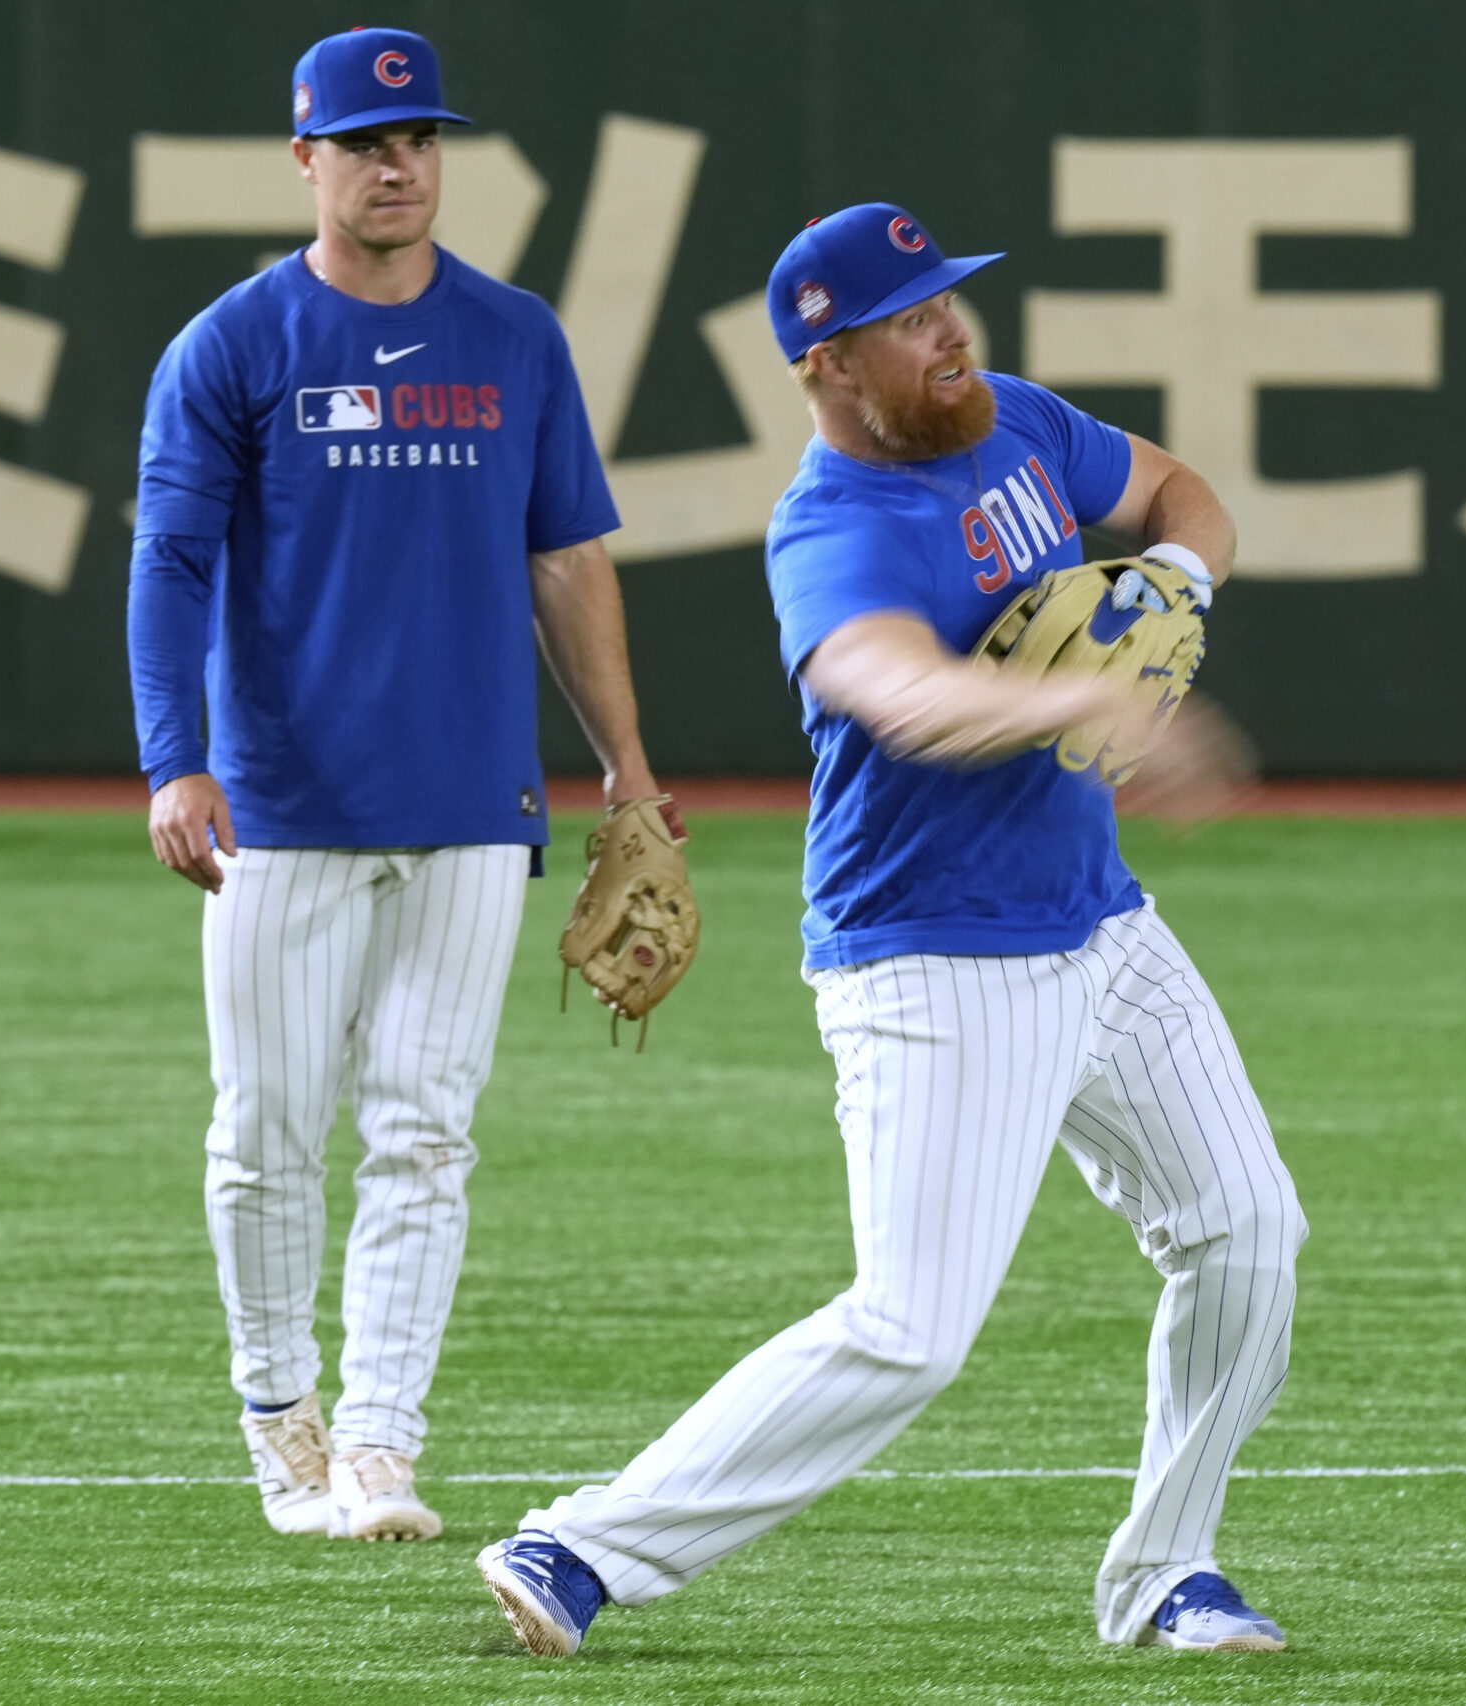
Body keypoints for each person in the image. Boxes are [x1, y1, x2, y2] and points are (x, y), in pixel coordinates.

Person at [477, 204, 1306, 1654]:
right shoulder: (832, 527)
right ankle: (579, 1543)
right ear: (828, 364)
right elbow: (900, 688)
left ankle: (1167, 1567)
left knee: (1249, 1234)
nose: (950, 332)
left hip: (1102, 931)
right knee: (908, 1327)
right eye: (912, 318)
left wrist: (1177, 580)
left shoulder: (1016, 420)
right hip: (932, 961)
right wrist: (1081, 697)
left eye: (948, 302)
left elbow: (1180, 492)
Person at [126, 26, 677, 1544]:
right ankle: (274, 1408)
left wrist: (626, 769)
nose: (397, 164)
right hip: (284, 808)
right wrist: (176, 756)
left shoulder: (514, 341)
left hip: (472, 805)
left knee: (426, 1128)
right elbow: (168, 563)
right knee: (266, 1127)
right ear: (305, 157)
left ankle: (379, 1441)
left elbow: (566, 558)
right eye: (365, 141)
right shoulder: (235, 345)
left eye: (420, 138)